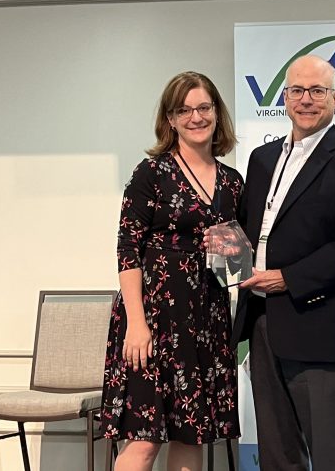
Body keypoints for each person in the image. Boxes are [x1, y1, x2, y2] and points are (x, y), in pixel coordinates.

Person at [232, 54, 335, 470]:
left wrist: (288, 278)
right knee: (277, 455)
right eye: (297, 90)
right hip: (263, 324)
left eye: (317, 90)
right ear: (284, 97)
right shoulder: (262, 159)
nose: (306, 100)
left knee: (329, 456)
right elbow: (250, 229)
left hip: (317, 326)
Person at [100, 71, 243, 471]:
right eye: (184, 110)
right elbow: (128, 250)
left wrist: (236, 253)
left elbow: (235, 260)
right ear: (170, 119)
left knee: (190, 435)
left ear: (217, 113)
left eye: (204, 107)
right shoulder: (151, 172)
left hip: (206, 320)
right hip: (153, 320)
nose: (196, 117)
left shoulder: (233, 183)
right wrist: (136, 324)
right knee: (144, 441)